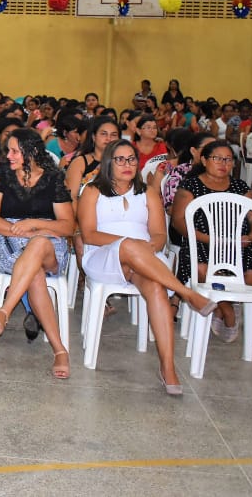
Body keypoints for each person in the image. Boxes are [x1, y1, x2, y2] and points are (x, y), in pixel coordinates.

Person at [77, 141, 219, 395]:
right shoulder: (92, 191)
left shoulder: (148, 193)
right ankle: (186, 293)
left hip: (146, 260)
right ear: (109, 162)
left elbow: (158, 235)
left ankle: (168, 367)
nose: (127, 165)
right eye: (120, 159)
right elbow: (88, 234)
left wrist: (145, 248)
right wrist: (127, 245)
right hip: (102, 258)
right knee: (130, 246)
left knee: (155, 287)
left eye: (131, 159)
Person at [0, 128, 75, 379]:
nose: (9, 156)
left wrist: (34, 225)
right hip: (10, 239)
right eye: (8, 150)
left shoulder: (53, 178)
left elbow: (67, 226)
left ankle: (5, 311)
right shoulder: (0, 175)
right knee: (34, 271)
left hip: (49, 243)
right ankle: (59, 350)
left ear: (31, 152)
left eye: (14, 151)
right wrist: (20, 232)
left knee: (39, 245)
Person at [171, 140, 252, 342]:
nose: (224, 163)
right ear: (204, 160)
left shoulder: (239, 187)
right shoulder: (190, 186)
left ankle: (225, 306)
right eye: (217, 158)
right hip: (201, 243)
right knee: (202, 270)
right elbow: (179, 222)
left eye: (228, 160)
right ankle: (226, 309)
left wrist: (251, 237)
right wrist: (213, 240)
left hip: (238, 246)